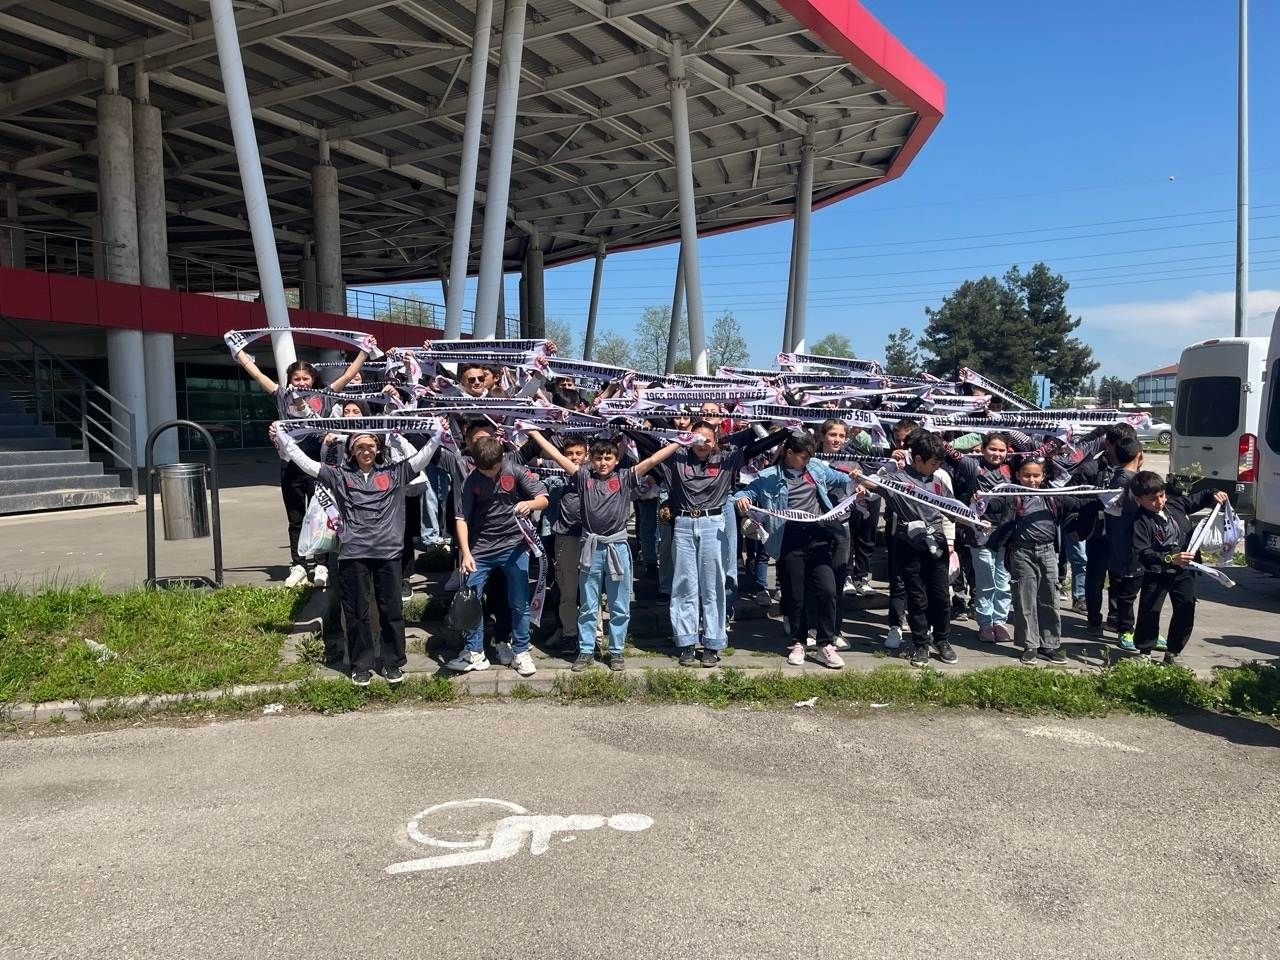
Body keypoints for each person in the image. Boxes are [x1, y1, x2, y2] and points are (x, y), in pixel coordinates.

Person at [270, 420, 439, 686]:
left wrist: (437, 434)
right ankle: (361, 665)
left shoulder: (395, 472)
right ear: (351, 451)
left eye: (370, 446)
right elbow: (306, 464)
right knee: (356, 612)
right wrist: (284, 439)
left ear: (378, 448)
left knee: (391, 611)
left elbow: (422, 458)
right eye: (359, 447)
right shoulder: (339, 475)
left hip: (388, 554)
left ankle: (393, 663)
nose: (365, 451)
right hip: (353, 554)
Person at [528, 430, 681, 672]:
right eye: (598, 458)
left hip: (617, 547)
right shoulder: (583, 477)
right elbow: (557, 456)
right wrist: (534, 433)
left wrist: (679, 441)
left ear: (616, 460)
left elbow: (653, 460)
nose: (603, 463)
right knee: (588, 603)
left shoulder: (625, 477)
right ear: (591, 459)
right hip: (591, 548)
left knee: (619, 603)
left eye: (608, 458)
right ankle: (586, 649)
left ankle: (616, 651)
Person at [650, 419, 786, 667]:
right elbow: (648, 441)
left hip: (713, 523)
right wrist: (622, 421)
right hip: (683, 523)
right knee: (684, 585)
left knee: (713, 585)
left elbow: (757, 447)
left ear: (715, 441)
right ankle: (686, 642)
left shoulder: (726, 459)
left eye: (707, 440)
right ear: (689, 439)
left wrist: (787, 430)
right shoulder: (677, 458)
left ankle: (712, 642)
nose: (702, 444)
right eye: (697, 439)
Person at [235, 343, 371, 588]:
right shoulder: (282, 395)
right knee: (295, 518)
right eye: (296, 378)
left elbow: (349, 375)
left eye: (305, 378)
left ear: (313, 379)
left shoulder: (325, 396)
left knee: (320, 516)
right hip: (291, 467)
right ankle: (298, 565)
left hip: (318, 466)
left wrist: (364, 350)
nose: (301, 383)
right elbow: (258, 375)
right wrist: (239, 354)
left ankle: (321, 565)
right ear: (289, 380)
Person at [737, 431, 854, 669]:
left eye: (810, 456)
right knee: (795, 594)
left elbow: (842, 479)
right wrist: (742, 499)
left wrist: (856, 480)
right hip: (789, 538)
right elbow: (745, 492)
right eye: (803, 457)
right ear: (789, 453)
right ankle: (798, 642)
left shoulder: (816, 468)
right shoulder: (769, 476)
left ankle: (825, 643)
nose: (807, 461)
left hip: (818, 535)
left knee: (828, 590)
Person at [445, 436, 550, 676]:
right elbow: (461, 519)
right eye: (483, 470)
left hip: (514, 547)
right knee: (471, 600)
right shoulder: (471, 480)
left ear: (501, 458)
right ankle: (474, 652)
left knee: (519, 601)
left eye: (492, 469)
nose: (489, 474)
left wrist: (530, 504)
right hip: (480, 550)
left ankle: (521, 650)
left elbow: (544, 498)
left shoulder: (515, 470)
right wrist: (466, 553)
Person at [984, 456, 1087, 665]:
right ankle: (1029, 645)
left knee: (1050, 597)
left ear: (1043, 476)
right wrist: (981, 501)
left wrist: (1103, 498)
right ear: (1018, 475)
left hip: (1048, 551)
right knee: (1025, 599)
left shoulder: (1051, 496)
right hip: (1022, 552)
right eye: (1026, 475)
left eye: (1036, 476)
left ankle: (1049, 644)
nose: (1031, 480)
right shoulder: (1012, 495)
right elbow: (993, 505)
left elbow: (1077, 502)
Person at [1128, 472, 1229, 665]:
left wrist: (1214, 493)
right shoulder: (1140, 521)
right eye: (1153, 499)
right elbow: (1143, 552)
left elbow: (1201, 497)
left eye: (1161, 495)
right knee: (1150, 611)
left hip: (1185, 570)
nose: (1159, 502)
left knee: (1186, 608)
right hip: (1157, 572)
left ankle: (1173, 652)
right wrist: (1169, 558)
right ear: (1139, 500)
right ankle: (1145, 651)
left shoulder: (1175, 505)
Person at [879, 429, 958, 667]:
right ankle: (921, 643)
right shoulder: (897, 480)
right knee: (916, 597)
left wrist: (975, 517)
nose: (936, 467)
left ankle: (942, 639)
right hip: (908, 543)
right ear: (918, 459)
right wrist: (878, 472)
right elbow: (871, 484)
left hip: (937, 543)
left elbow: (953, 510)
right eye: (933, 463)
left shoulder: (938, 481)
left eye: (939, 463)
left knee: (941, 595)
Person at [542, 434, 589, 656]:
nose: (574, 457)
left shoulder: (594, 474)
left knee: (590, 591)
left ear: (586, 455)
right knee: (565, 589)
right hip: (563, 537)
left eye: (579, 453)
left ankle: (592, 636)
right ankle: (567, 633)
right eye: (569, 454)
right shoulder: (555, 475)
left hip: (589, 538)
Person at [966, 432, 1015, 643]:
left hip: (1005, 532)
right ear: (983, 449)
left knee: (1003, 582)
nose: (997, 454)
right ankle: (985, 623)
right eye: (992, 449)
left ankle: (1000, 622)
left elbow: (1038, 448)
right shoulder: (972, 467)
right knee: (986, 582)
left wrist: (1002, 421)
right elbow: (950, 450)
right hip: (981, 533)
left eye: (1002, 450)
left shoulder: (1012, 468)